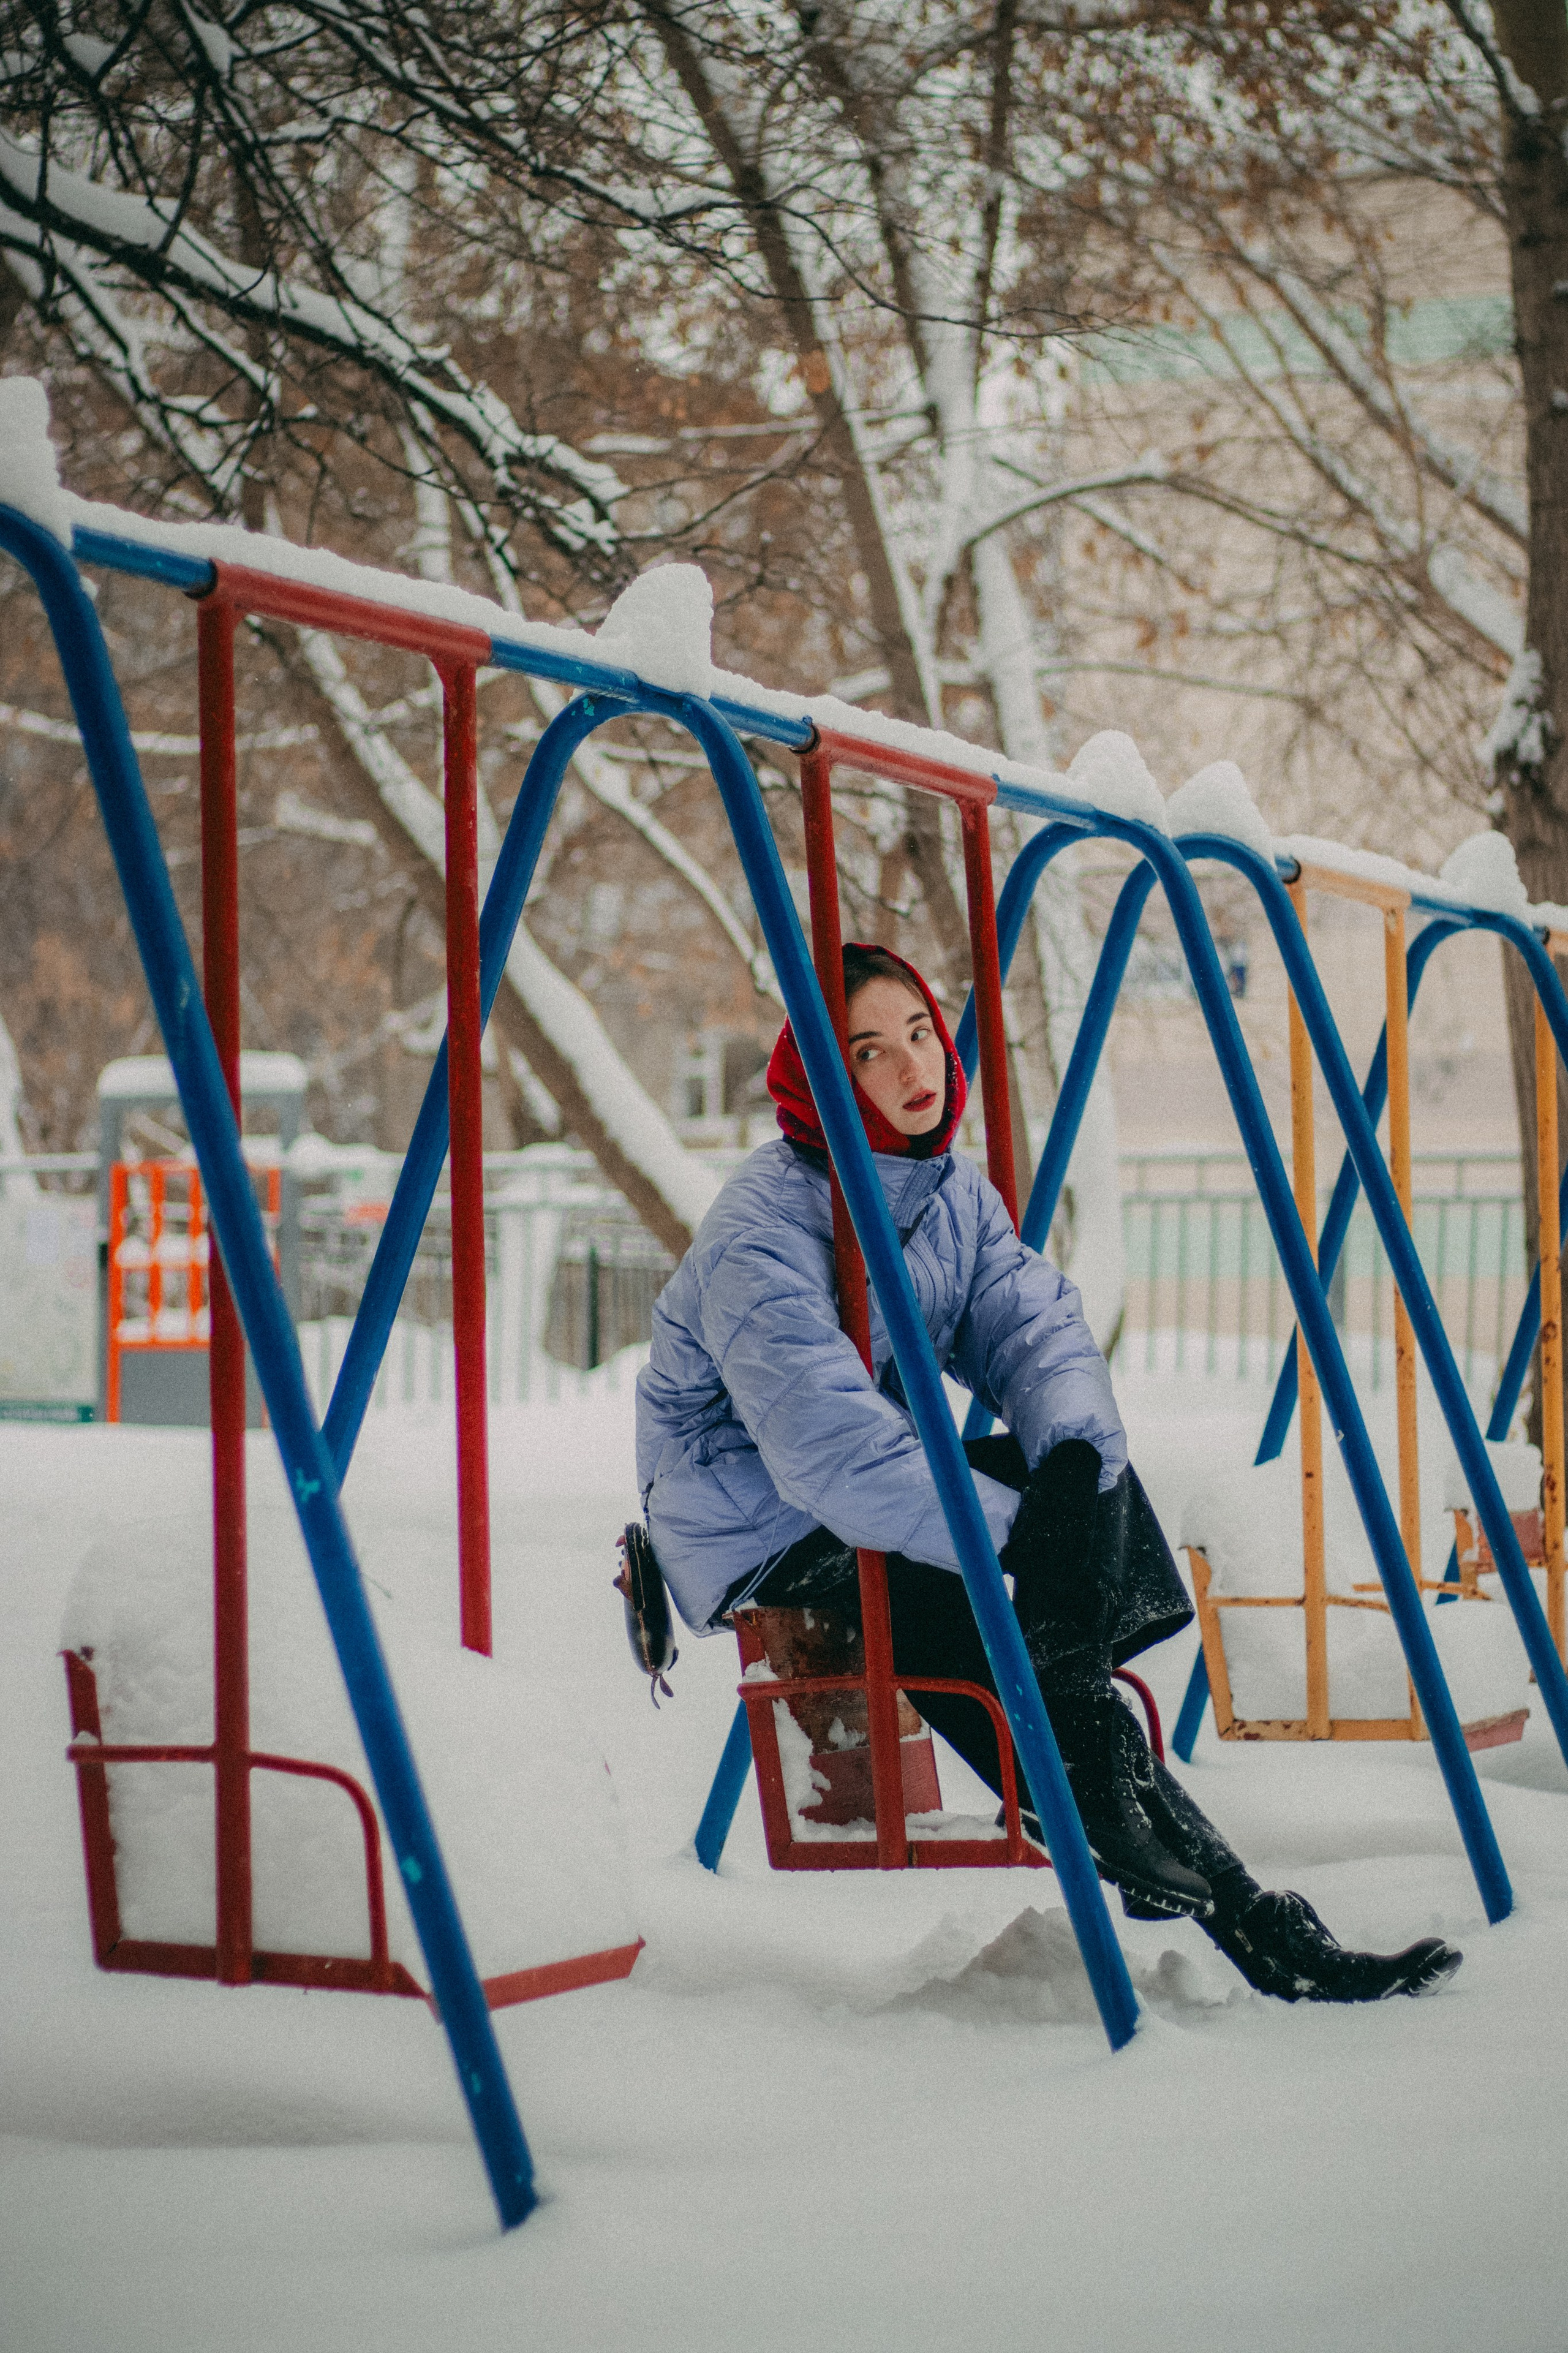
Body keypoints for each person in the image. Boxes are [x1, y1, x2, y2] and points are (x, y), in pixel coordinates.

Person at [635, 942, 1461, 2004]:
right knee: (952, 1576)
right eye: (869, 1052)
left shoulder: (942, 1192)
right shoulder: (765, 1233)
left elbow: (1041, 1336)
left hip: (846, 1488)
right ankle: (1140, 1831)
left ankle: (1170, 1837)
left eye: (920, 1032)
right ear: (823, 1084)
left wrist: (1068, 1472)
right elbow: (828, 1451)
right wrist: (1026, 1533)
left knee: (1081, 1466)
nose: (912, 1068)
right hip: (749, 1519)